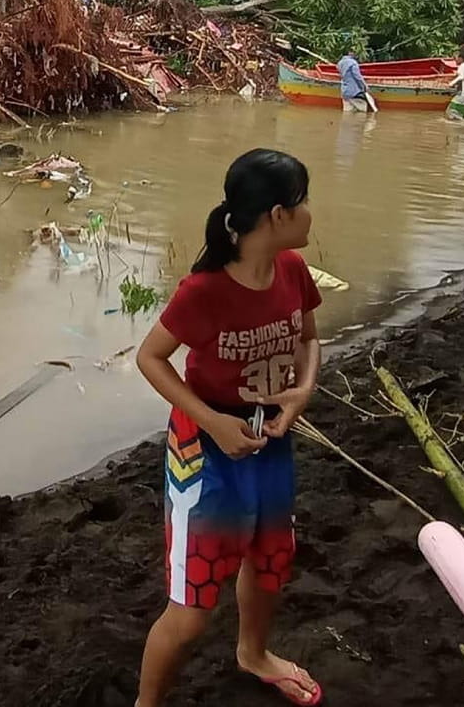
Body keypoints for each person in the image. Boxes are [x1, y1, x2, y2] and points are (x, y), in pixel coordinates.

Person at [134, 149, 323, 707]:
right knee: (190, 613)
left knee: (269, 567)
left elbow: (310, 338)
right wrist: (213, 422)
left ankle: (253, 653)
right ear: (277, 216)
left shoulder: (291, 270)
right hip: (206, 452)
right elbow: (150, 358)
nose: (313, 211)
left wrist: (303, 391)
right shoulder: (204, 291)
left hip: (271, 439)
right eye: (304, 200)